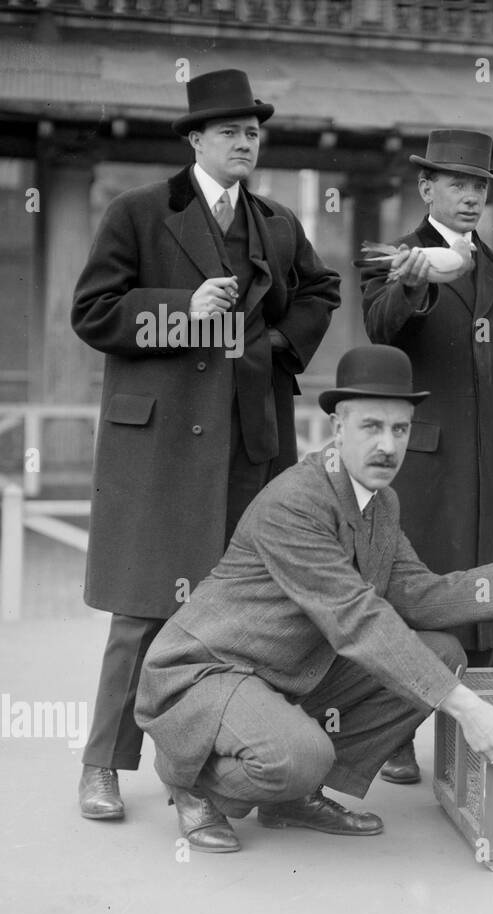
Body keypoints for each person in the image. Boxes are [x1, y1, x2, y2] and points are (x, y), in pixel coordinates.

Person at [134, 345, 493, 853]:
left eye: (400, 429)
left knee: (442, 655)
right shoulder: (296, 501)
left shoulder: (380, 500)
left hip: (282, 670)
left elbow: (416, 595)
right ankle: (188, 775)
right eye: (371, 427)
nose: (388, 445)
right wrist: (469, 709)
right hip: (205, 671)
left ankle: (291, 799)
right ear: (337, 429)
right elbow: (358, 621)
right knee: (298, 755)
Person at [70, 69, 341, 822]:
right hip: (158, 451)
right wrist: (180, 312)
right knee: (144, 612)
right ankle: (102, 766)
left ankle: (213, 770)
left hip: (248, 447)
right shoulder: (138, 214)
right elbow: (92, 313)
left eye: (254, 131)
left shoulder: (278, 223)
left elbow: (322, 291)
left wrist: (277, 347)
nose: (246, 141)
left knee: (246, 615)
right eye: (231, 131)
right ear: (195, 139)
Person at [361, 129, 493, 784]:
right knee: (418, 598)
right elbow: (380, 328)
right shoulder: (393, 257)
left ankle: (479, 733)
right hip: (429, 465)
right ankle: (394, 736)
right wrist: (412, 284)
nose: (471, 197)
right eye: (458, 185)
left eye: (480, 187)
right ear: (426, 189)